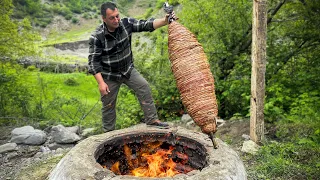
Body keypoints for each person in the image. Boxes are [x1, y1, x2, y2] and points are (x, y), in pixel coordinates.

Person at [88, 2, 177, 132]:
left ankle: (152, 120)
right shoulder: (97, 36)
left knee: (144, 87)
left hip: (128, 70)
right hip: (109, 75)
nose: (116, 20)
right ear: (104, 19)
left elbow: (146, 24)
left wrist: (165, 20)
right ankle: (108, 133)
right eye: (112, 18)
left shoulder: (126, 24)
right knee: (108, 105)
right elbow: (93, 62)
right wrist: (101, 83)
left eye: (117, 16)